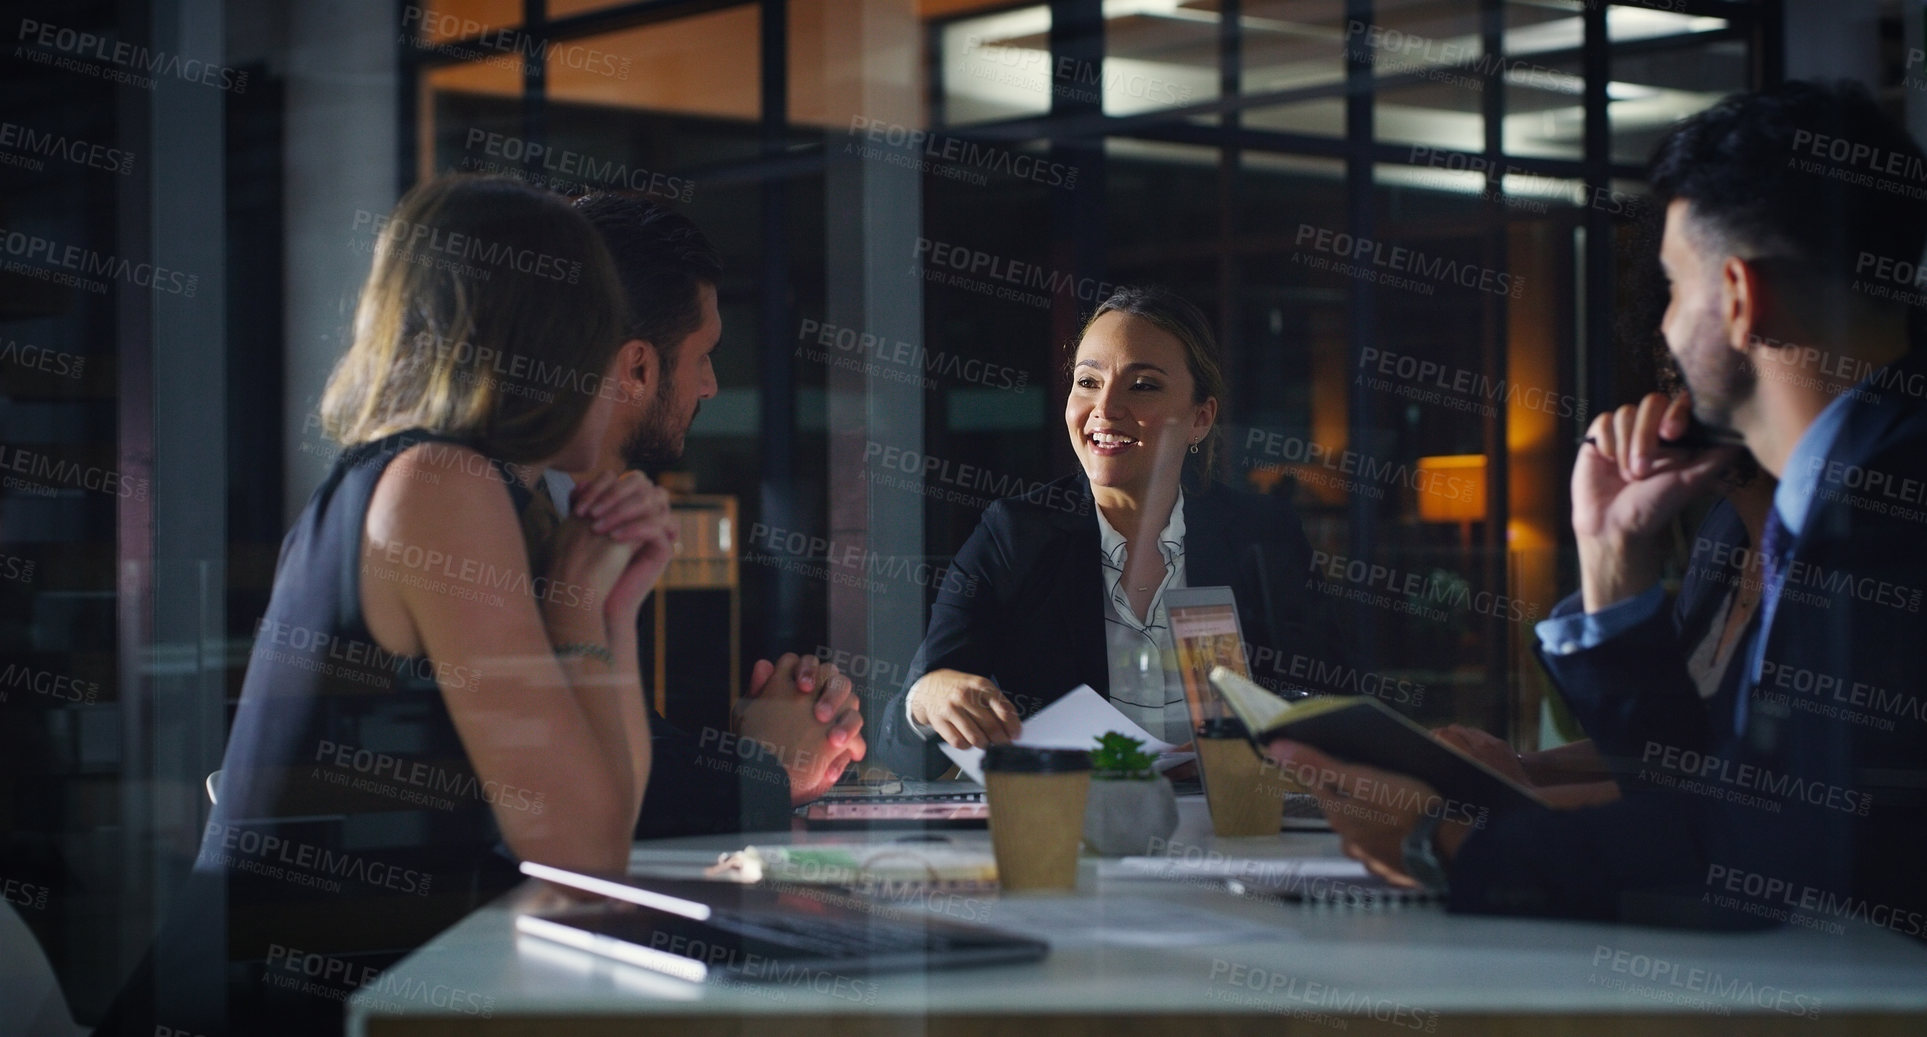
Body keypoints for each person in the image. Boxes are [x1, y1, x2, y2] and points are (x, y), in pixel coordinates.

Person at [1267, 80, 1927, 935]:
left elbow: (1758, 861)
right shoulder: (1853, 484)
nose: (1666, 330)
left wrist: (1440, 838)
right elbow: (1709, 797)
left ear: (1737, 298)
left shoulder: (1879, 518)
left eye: (1672, 287)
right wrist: (1614, 561)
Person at [99, 175, 673, 1036]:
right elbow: (582, 855)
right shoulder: (443, 486)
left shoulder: (465, 491)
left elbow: (606, 830)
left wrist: (611, 605)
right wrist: (573, 614)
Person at [878, 285, 1343, 778]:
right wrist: (926, 700)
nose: (1105, 407)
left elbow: (1333, 707)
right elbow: (901, 749)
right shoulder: (1014, 536)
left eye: (1142, 385)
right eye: (1088, 381)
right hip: (1075, 832)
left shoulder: (1261, 536)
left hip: (1234, 830)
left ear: (1200, 419)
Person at [565, 192, 866, 833]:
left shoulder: (572, 510)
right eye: (704, 356)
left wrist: (762, 750)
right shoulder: (506, 512)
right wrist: (766, 765)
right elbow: (605, 789)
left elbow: (623, 752)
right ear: (639, 368)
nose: (710, 386)